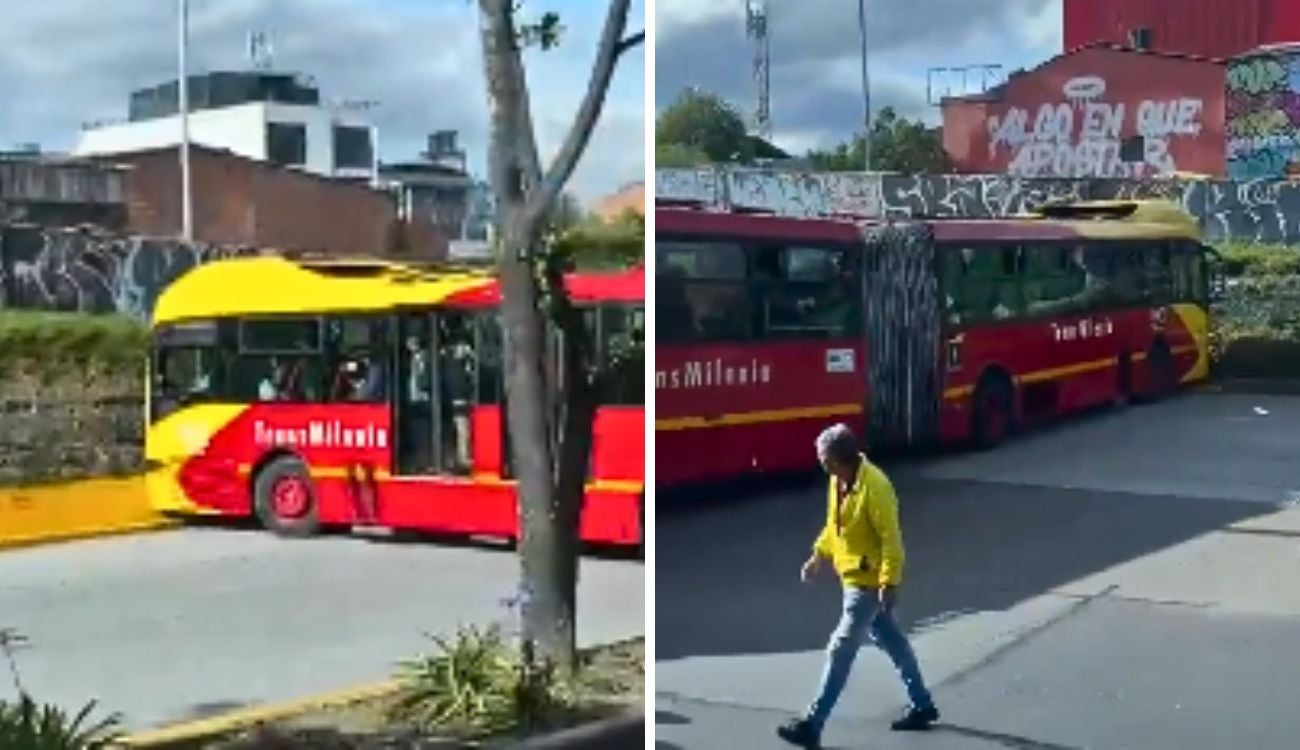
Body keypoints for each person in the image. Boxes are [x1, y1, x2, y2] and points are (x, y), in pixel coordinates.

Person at [777, 423, 939, 749]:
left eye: (823, 458)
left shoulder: (876, 487)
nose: (820, 464)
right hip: (851, 577)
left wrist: (888, 582)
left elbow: (891, 540)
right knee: (893, 642)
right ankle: (922, 705)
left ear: (838, 459)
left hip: (867, 584)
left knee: (841, 649)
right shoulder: (838, 482)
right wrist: (818, 555)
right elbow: (835, 526)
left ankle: (813, 723)